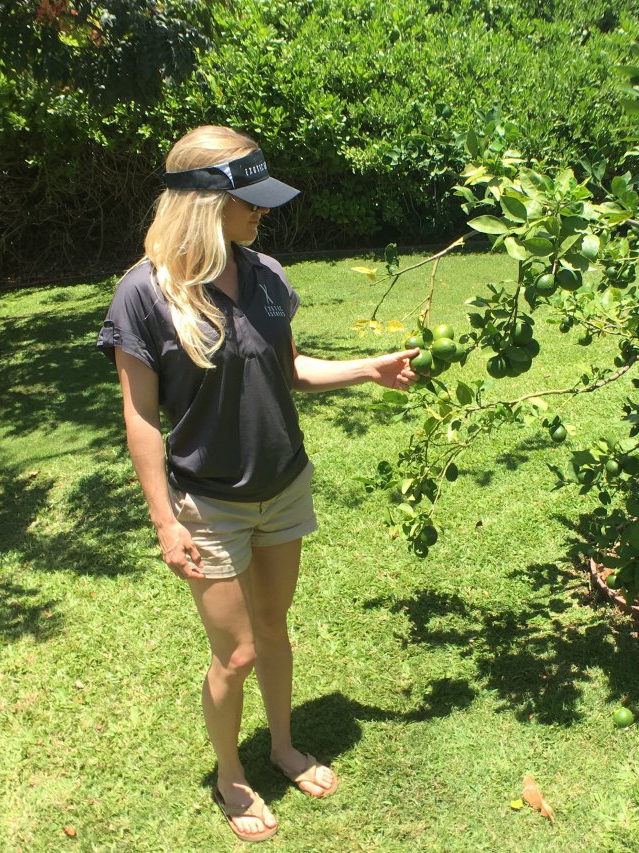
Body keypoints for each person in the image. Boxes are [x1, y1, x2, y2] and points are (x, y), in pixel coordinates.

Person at [96, 125, 418, 843]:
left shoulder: (267, 273)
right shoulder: (143, 295)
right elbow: (141, 420)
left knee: (274, 630)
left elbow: (291, 370)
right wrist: (164, 521)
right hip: (208, 501)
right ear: (203, 203)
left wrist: (371, 367)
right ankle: (229, 774)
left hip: (283, 485)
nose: (262, 213)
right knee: (235, 652)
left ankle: (280, 746)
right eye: (250, 201)